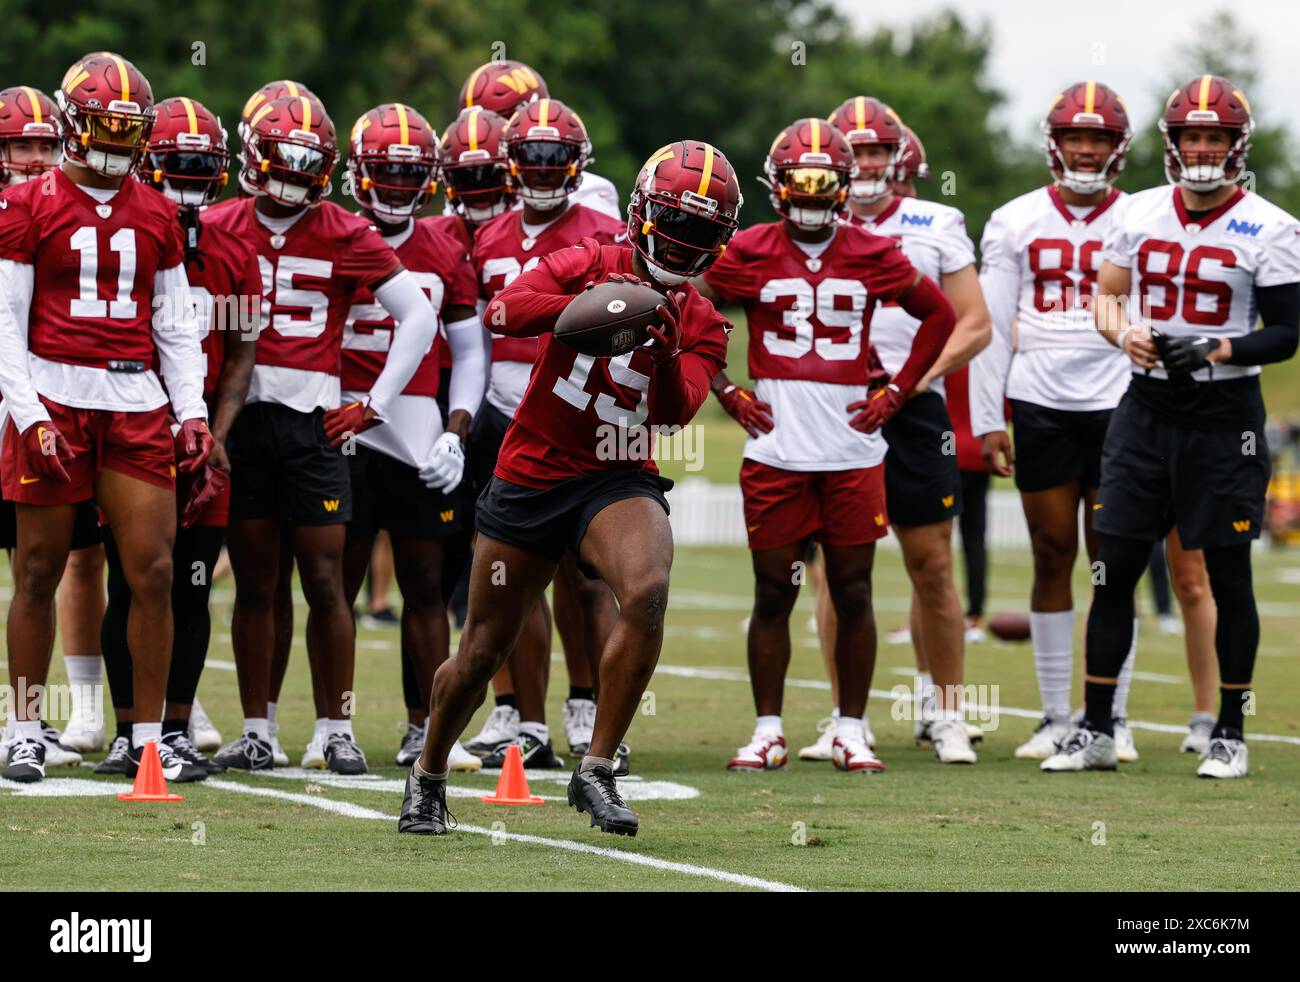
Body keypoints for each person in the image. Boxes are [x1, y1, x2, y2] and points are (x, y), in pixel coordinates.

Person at [399, 139, 741, 837]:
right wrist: (591, 307)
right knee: (481, 650)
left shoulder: (704, 321)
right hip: (535, 468)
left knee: (645, 587)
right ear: (643, 214)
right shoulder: (592, 257)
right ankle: (428, 773)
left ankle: (597, 769)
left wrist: (668, 347)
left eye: (701, 232)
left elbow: (673, 414)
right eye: (675, 222)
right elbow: (502, 312)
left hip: (618, 471)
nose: (682, 243)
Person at [1044, 75, 1300, 778]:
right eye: (1193, 135)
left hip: (1224, 418)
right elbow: (1105, 297)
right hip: (1146, 407)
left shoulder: (1272, 227)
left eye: (1216, 136)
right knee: (1113, 569)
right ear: (1172, 143)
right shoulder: (1140, 213)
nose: (1204, 148)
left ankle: (1229, 732)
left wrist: (1217, 346)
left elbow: (1285, 334)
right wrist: (1123, 335)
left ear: (1237, 144)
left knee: (1227, 573)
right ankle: (1095, 728)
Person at [696, 118, 956, 774]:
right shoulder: (749, 248)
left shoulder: (871, 249)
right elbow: (686, 309)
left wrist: (898, 393)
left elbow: (940, 315)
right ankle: (767, 730)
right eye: (799, 183)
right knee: (773, 593)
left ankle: (851, 727)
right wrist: (723, 389)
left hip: (851, 449)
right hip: (777, 446)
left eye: (823, 183)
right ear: (777, 186)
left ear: (844, 187)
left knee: (855, 590)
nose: (811, 195)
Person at [205, 93, 437, 774]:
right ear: (253, 154)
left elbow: (417, 318)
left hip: (313, 421)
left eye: (306, 162)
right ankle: (258, 728)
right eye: (281, 157)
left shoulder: (342, 229)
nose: (291, 174)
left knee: (326, 581)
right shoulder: (220, 221)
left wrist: (375, 404)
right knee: (255, 581)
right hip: (242, 421)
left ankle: (335, 727)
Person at [0, 52, 212, 784]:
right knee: (37, 569)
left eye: (129, 128)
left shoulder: (157, 211)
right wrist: (27, 414)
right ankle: (25, 727)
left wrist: (192, 411)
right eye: (104, 125)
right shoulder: (28, 205)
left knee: (152, 570)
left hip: (135, 401)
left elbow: (177, 325)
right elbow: (7, 320)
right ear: (72, 123)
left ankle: (147, 738)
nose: (117, 142)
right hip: (54, 394)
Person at [970, 81, 1144, 762]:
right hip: (1040, 400)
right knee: (1051, 554)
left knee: (1114, 561)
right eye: (1075, 136)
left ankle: (1112, 716)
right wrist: (989, 419)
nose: (1085, 148)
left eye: (1098, 138)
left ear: (1117, 149)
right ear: (1054, 143)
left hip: (1119, 401)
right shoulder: (1015, 219)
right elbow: (990, 327)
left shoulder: (1140, 215)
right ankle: (1051, 714)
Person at [817, 99, 990, 763]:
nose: (863, 165)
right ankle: (843, 717)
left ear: (898, 160)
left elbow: (974, 323)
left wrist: (914, 378)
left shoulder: (934, 220)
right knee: (837, 570)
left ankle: (946, 711)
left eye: (874, 153)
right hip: (832, 405)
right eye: (852, 152)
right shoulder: (811, 225)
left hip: (912, 405)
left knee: (932, 564)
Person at [96, 96, 259, 776]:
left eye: (200, 165)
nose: (190, 178)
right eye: (175, 164)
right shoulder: (125, 237)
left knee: (191, 584)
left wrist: (216, 431)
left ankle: (177, 726)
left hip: (199, 442)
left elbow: (243, 349)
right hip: (132, 431)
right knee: (129, 585)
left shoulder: (232, 248)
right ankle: (128, 729)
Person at [463, 97, 625, 770]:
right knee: (512, 573)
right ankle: (526, 720)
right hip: (506, 414)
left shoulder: (606, 229)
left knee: (587, 577)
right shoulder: (489, 235)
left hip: (580, 416)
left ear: (577, 165)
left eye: (555, 157)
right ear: (512, 162)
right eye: (531, 156)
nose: (542, 168)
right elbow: (473, 333)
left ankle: (590, 708)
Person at [341, 101, 486, 772]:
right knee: (330, 582)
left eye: (410, 175)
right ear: (359, 174)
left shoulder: (444, 245)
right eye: (385, 173)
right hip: (341, 419)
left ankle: (423, 727)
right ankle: (329, 726)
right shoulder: (334, 232)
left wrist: (456, 432)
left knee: (426, 584)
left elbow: (470, 349)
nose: (397, 187)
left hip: (418, 422)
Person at [0, 83, 104, 768]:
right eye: (22, 146)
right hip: (18, 399)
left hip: (40, 402)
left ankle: (51, 718)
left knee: (49, 561)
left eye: (46, 144)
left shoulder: (65, 211)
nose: (37, 157)